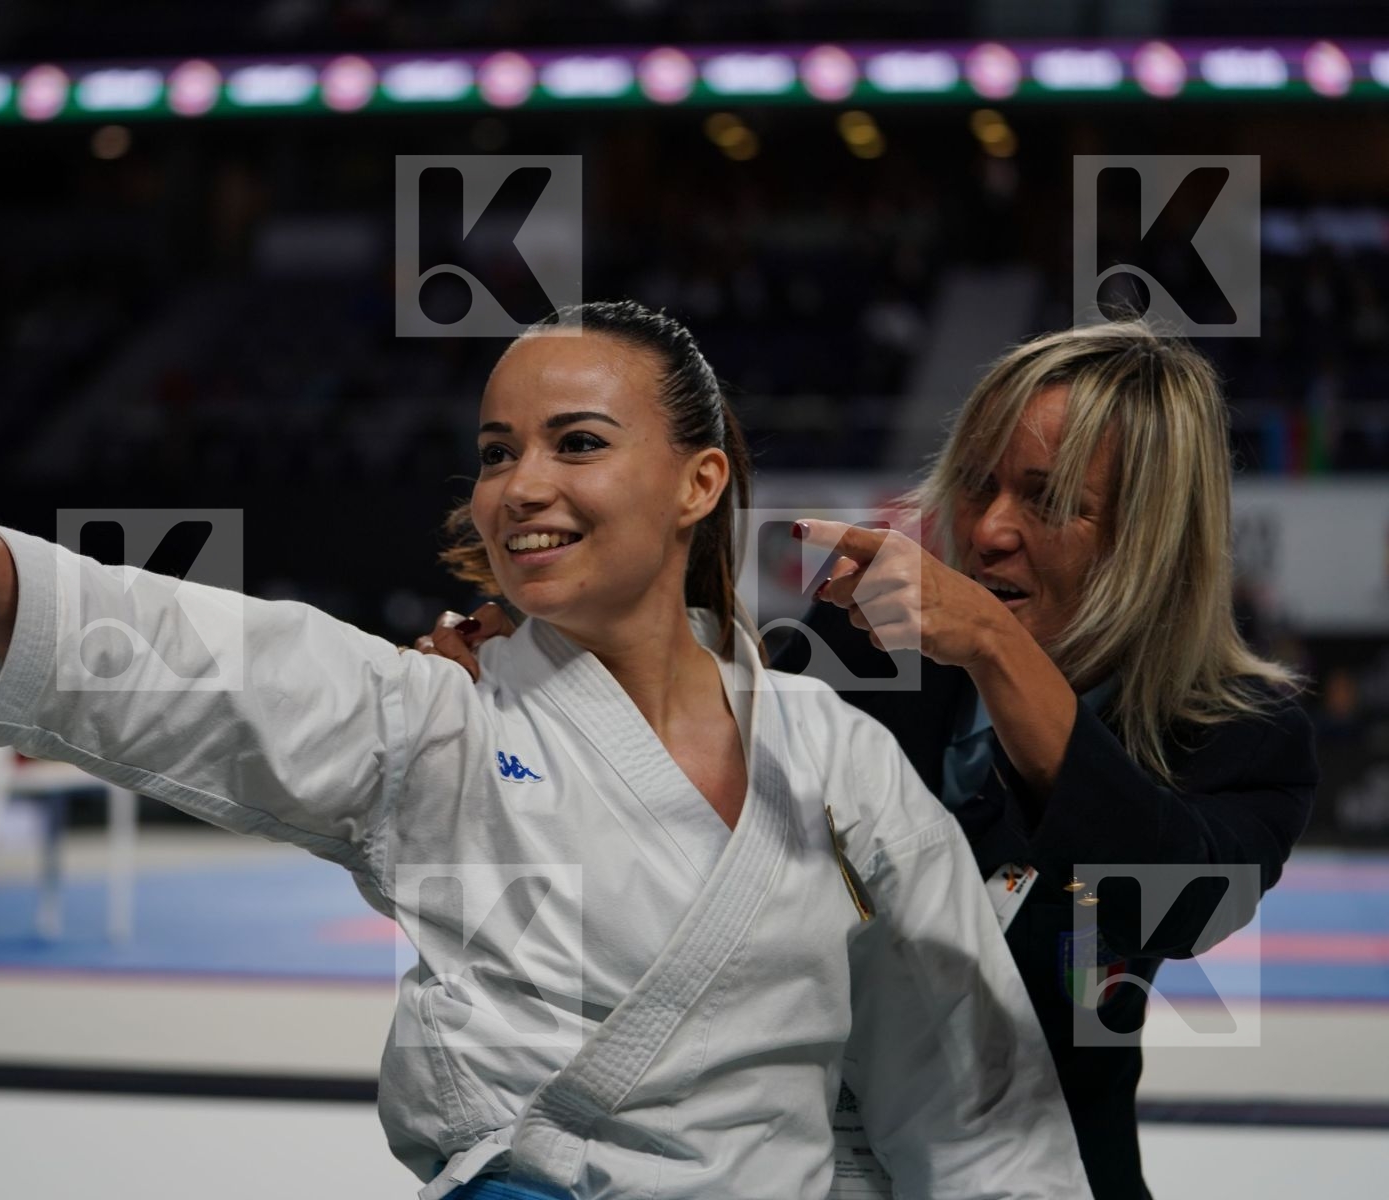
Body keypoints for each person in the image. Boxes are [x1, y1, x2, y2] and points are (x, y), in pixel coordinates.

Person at [0, 242, 1091, 1199]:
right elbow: (176, 659)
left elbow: (970, 1096)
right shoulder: (433, 720)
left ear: (698, 481)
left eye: (578, 443)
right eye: (497, 453)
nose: (522, 487)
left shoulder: (836, 756)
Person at [421, 321, 1318, 1200]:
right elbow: (681, 754)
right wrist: (541, 656)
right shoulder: (864, 655)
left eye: (1046, 501)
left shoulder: (1244, 731)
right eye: (975, 485)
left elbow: (1164, 901)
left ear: (1154, 533)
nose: (991, 529)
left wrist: (996, 650)